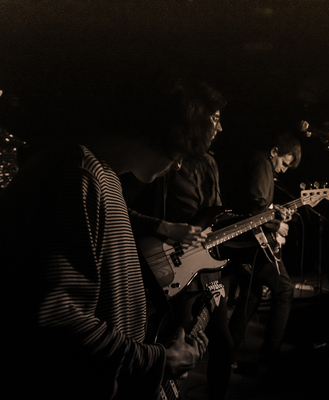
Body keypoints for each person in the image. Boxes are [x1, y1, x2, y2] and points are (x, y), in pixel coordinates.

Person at [0, 77, 214, 399]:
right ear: (161, 132)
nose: (177, 165)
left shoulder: (103, 175)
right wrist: (157, 360)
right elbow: (57, 318)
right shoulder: (77, 174)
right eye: (180, 152)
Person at [121, 82, 233, 400]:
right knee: (176, 342)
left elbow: (216, 215)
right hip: (171, 265)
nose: (220, 128)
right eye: (215, 118)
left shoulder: (209, 163)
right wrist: (165, 227)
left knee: (223, 342)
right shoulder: (160, 161)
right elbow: (120, 208)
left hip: (206, 264)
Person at [219, 131, 301, 371]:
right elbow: (255, 206)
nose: (283, 170)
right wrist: (277, 223)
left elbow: (256, 203)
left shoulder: (257, 162)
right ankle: (268, 359)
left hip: (241, 242)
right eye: (284, 163)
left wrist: (276, 211)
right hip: (248, 243)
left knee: (251, 295)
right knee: (284, 289)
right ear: (274, 152)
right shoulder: (262, 163)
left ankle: (225, 356)